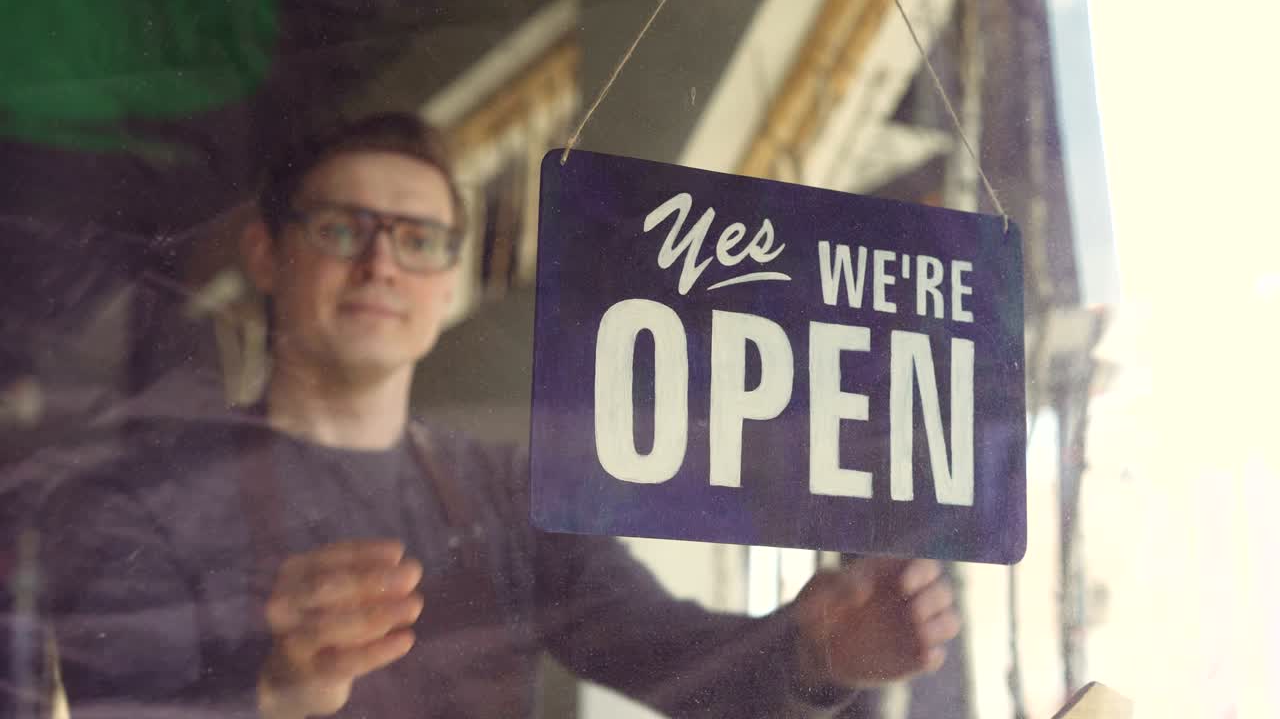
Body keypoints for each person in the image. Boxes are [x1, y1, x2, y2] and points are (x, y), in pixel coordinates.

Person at [38, 113, 961, 718]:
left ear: (446, 286)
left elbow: (680, 658)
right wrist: (275, 694)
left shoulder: (514, 496)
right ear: (268, 254)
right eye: (341, 228)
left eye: (418, 240)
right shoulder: (133, 499)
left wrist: (817, 654)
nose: (380, 265)